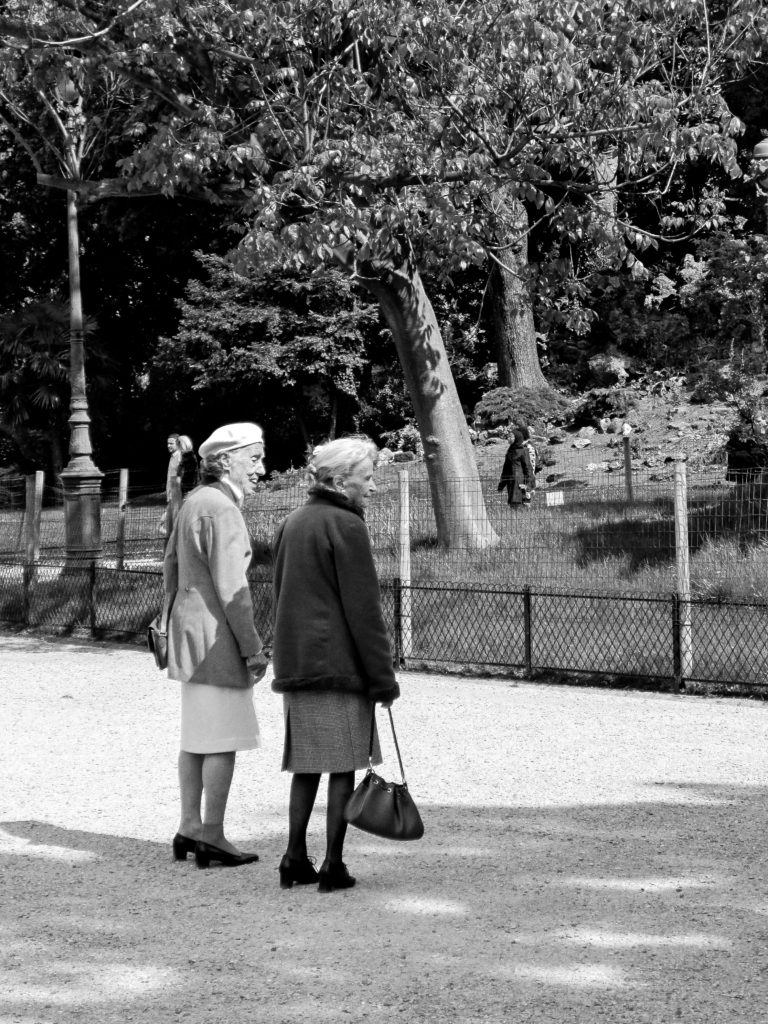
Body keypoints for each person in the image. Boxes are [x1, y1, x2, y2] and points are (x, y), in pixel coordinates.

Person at [271, 436, 401, 893]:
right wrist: (382, 678)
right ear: (341, 479)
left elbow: (282, 594)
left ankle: (292, 857)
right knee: (342, 766)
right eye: (367, 477)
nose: (371, 486)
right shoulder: (346, 526)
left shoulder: (293, 520)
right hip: (339, 664)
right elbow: (364, 611)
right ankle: (333, 864)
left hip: (296, 661)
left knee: (306, 766)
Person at [163, 422, 270, 869]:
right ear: (225, 460)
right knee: (221, 739)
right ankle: (212, 834)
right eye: (255, 458)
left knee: (196, 739)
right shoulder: (221, 508)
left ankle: (190, 826)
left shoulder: (195, 501)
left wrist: (172, 619)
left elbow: (170, 563)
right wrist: (253, 648)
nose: (262, 468)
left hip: (191, 630)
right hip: (216, 638)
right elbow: (233, 589)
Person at [498, 429, 535, 509]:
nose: (509, 439)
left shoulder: (523, 451)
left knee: (520, 503)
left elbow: (528, 468)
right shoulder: (509, 451)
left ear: (517, 438)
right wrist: (502, 484)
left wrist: (528, 485)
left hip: (520, 481)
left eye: (511, 437)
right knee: (512, 503)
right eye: (508, 437)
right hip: (510, 481)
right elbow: (506, 469)